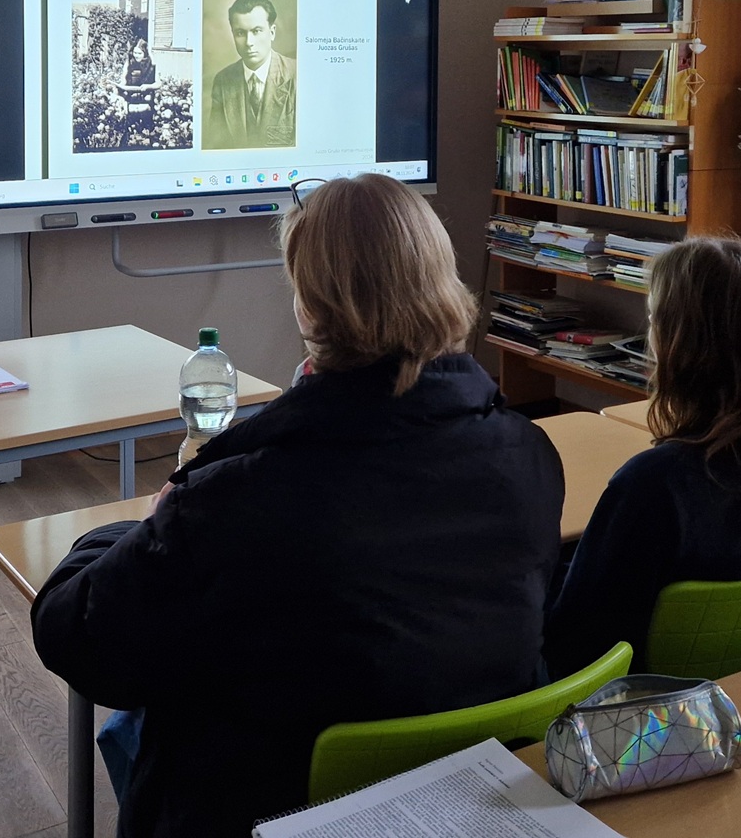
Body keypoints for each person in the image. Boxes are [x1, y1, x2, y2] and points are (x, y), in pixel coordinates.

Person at [30, 173, 563, 837]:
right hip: (465, 802)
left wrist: (128, 530)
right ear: (440, 282)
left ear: (309, 309)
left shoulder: (237, 498)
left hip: (272, 809)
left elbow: (75, 638)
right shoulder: (529, 456)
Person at [542, 238, 741, 678]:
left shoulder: (652, 486)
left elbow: (577, 646)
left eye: (654, 320)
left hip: (659, 720)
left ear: (677, 346)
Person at [203, 0, 296, 148]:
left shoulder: (297, 75)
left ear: (272, 32)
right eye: (240, 33)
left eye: (257, 31)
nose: (249, 42)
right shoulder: (223, 80)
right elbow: (217, 144)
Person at [118, 38, 157, 146]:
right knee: (130, 130)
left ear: (145, 53)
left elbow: (158, 83)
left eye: (139, 53)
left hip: (146, 100)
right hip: (131, 100)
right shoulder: (129, 63)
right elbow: (123, 81)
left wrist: (148, 86)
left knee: (145, 132)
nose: (136, 55)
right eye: (135, 52)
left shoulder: (151, 64)